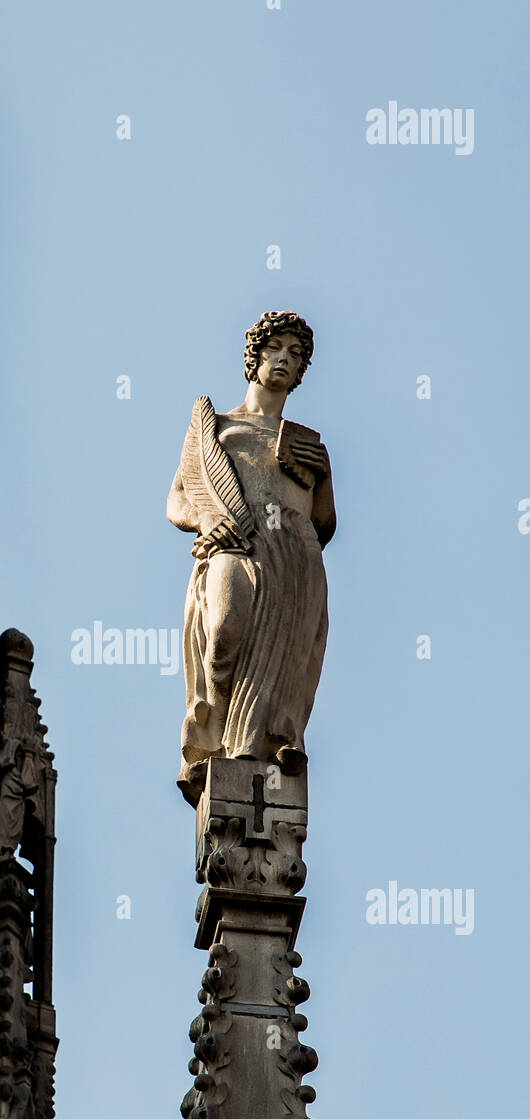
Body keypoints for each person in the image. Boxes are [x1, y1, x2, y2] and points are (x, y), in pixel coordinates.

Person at [168, 311, 336, 803]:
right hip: (236, 543)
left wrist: (323, 478)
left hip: (296, 554)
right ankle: (211, 740)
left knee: (289, 654)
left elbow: (325, 523)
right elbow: (178, 499)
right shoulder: (216, 428)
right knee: (222, 631)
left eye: (296, 355)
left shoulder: (308, 442)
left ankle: (274, 740)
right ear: (256, 357)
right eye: (277, 349)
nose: (286, 359)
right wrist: (206, 522)